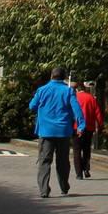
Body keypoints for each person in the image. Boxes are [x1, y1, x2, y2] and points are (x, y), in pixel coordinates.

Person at [28, 67, 84, 198]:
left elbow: (32, 106)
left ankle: (44, 190)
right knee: (63, 161)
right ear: (64, 77)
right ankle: (64, 186)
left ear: (51, 76)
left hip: (46, 131)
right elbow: (77, 109)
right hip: (63, 131)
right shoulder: (68, 91)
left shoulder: (42, 90)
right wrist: (81, 125)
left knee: (44, 161)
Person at [72, 81, 103, 179]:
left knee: (77, 150)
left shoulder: (74, 98)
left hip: (76, 127)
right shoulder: (91, 98)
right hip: (89, 127)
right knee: (86, 149)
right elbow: (97, 112)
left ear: (76, 89)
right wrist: (100, 125)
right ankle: (86, 168)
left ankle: (78, 174)